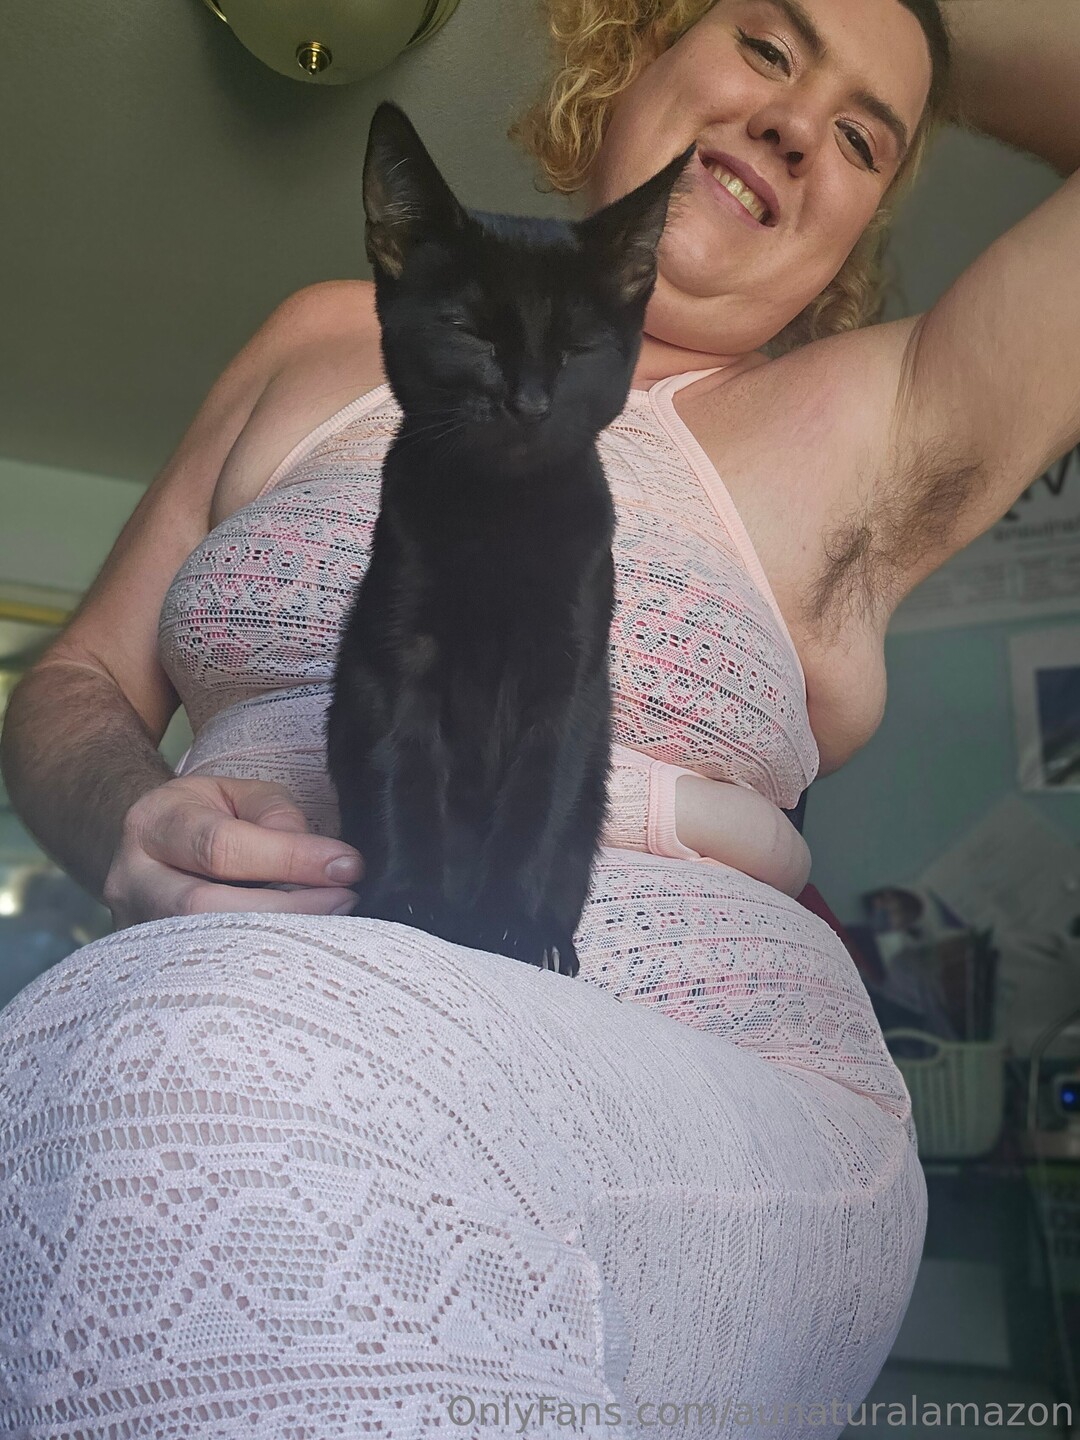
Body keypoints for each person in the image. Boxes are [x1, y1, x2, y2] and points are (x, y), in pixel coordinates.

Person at [0, 0, 1076, 1432]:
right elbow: (75, 681)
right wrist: (130, 812)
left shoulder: (886, 416)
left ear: (853, 229)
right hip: (194, 1007)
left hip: (697, 1086)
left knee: (231, 1085)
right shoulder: (317, 337)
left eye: (865, 139)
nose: (796, 123)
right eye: (769, 46)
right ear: (633, 52)